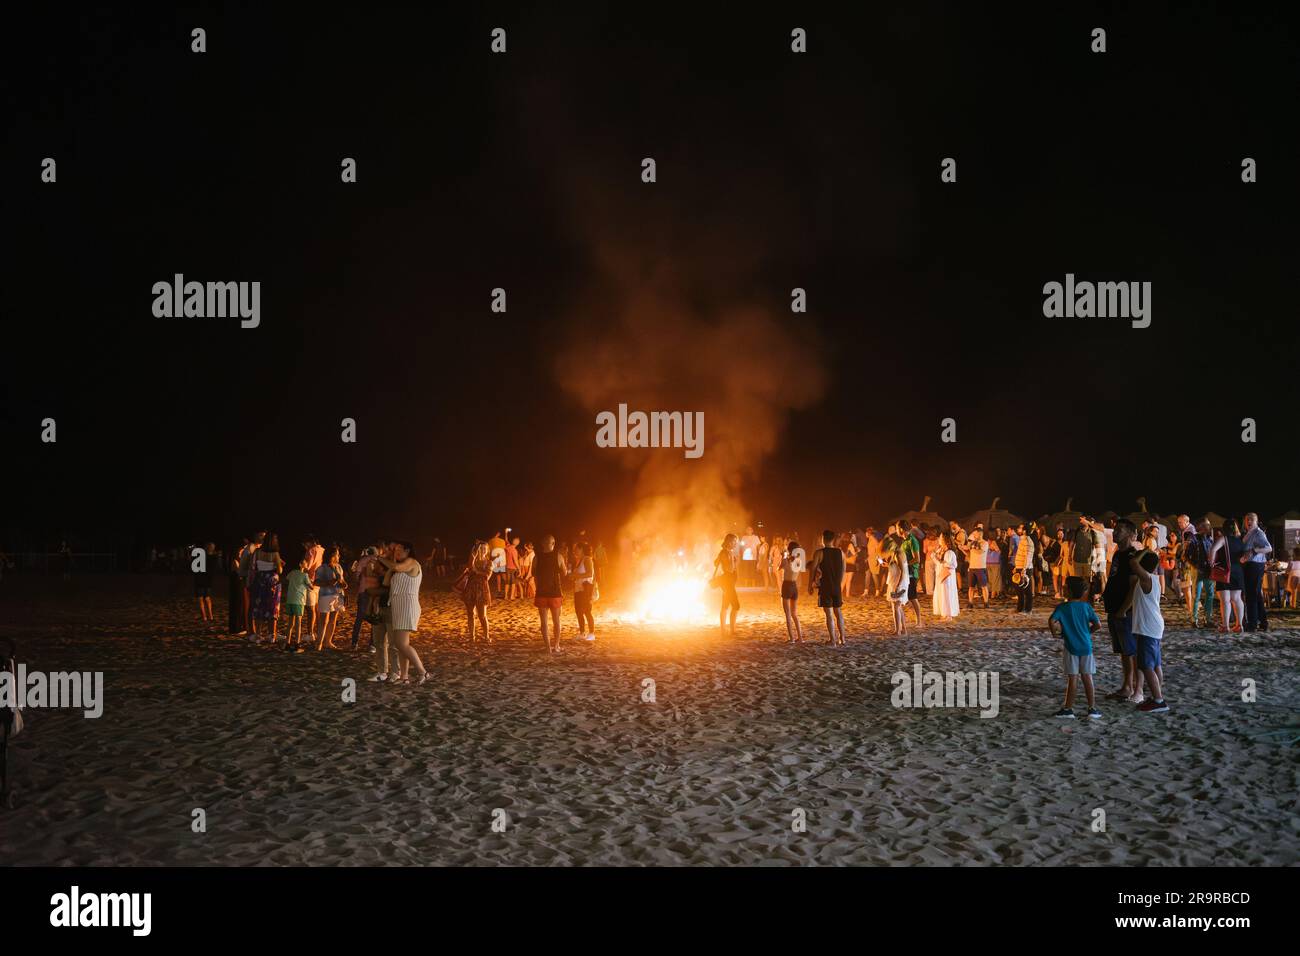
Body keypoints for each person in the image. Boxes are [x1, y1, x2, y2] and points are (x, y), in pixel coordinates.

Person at [1119, 550, 1169, 713]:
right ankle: (1157, 695)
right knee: (1155, 664)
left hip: (1148, 627)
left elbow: (1133, 563)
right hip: (1153, 625)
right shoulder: (1154, 580)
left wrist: (1144, 551)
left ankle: (1158, 700)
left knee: (1146, 665)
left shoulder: (1146, 578)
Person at [373, 541, 428, 684]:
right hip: (397, 606)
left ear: (407, 551)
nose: (396, 553)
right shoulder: (397, 568)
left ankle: (423, 672)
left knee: (401, 644)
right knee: (401, 644)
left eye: (399, 550)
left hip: (407, 606)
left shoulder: (412, 562)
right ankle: (404, 677)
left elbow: (397, 567)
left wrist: (379, 558)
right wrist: (390, 566)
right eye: (394, 550)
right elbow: (385, 583)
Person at [1048, 576, 1102, 719]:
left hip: (1071, 646)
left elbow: (1051, 620)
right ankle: (1092, 708)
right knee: (1087, 677)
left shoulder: (1062, 607)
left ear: (1069, 591)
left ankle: (1068, 708)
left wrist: (1055, 633)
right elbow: (1098, 625)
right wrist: (1087, 633)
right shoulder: (1086, 607)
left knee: (1073, 678)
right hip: (1086, 646)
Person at [1101, 519, 1142, 704]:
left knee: (1132, 651)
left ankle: (1136, 689)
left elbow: (1134, 586)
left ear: (1130, 534)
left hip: (1125, 611)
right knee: (1124, 652)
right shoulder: (1118, 554)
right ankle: (1127, 686)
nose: (1115, 533)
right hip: (1114, 608)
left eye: (1119, 530)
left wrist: (1123, 610)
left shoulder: (1132, 556)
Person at [808, 530, 846, 645]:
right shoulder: (841, 552)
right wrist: (839, 583)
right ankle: (842, 639)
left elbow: (813, 569)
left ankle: (833, 640)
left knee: (829, 614)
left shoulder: (819, 553)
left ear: (823, 539)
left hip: (825, 586)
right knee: (838, 612)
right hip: (836, 586)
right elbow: (843, 569)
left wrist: (810, 584)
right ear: (833, 539)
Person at [1207, 519, 1245, 633]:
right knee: (1237, 599)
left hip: (1225, 571)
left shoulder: (1223, 539)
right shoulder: (1240, 540)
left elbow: (1213, 549)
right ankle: (1239, 625)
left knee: (1225, 600)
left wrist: (1212, 562)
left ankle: (1226, 626)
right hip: (1238, 571)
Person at [533, 535, 566, 653]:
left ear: (542, 544)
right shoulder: (559, 557)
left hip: (541, 592)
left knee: (544, 622)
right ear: (553, 543)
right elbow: (565, 573)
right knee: (556, 620)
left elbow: (534, 574)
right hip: (555, 592)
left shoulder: (537, 557)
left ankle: (548, 648)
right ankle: (556, 646)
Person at [248, 533, 284, 643]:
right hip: (272, 582)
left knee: (259, 606)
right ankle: (271, 634)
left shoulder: (257, 552)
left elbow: (252, 567)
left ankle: (258, 634)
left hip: (260, 580)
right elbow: (279, 570)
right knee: (272, 608)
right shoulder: (275, 554)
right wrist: (280, 564)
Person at [1240, 512, 1273, 632]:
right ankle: (1263, 622)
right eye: (1247, 519)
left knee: (1251, 595)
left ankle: (1252, 624)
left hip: (1255, 565)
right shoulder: (1249, 533)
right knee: (1256, 594)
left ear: (1256, 521)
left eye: (1251, 520)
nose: (1248, 522)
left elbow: (1269, 548)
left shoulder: (1258, 533)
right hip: (1250, 565)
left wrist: (1254, 551)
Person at [313, 546, 348, 650]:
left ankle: (328, 641)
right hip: (325, 596)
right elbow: (316, 582)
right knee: (324, 620)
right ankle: (319, 643)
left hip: (337, 595)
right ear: (332, 555)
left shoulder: (339, 567)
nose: (339, 556)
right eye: (337, 554)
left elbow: (342, 581)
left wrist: (344, 584)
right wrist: (328, 582)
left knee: (333, 619)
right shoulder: (322, 568)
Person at [350, 545, 382, 650]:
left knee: (359, 618)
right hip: (375, 592)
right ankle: (372, 644)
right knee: (374, 618)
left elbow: (356, 577)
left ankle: (354, 643)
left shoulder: (363, 560)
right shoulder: (379, 561)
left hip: (363, 591)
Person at [282, 555, 315, 652]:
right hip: (299, 601)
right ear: (301, 564)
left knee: (290, 623)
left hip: (290, 600)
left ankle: (287, 643)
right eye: (305, 562)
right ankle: (297, 644)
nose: (307, 564)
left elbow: (287, 580)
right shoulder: (304, 575)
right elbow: (311, 587)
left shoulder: (292, 573)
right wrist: (308, 583)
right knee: (298, 623)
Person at [463, 541, 494, 643]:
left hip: (482, 589)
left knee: (482, 615)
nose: (483, 550)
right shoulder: (473, 560)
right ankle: (472, 637)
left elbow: (487, 576)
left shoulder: (489, 562)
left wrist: (476, 571)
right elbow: (469, 568)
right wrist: (473, 557)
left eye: (485, 549)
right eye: (481, 548)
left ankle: (486, 636)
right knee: (470, 614)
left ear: (487, 550)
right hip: (471, 588)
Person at [712, 533, 741, 636]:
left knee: (725, 605)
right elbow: (729, 569)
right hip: (727, 581)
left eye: (736, 542)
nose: (735, 544)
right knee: (736, 605)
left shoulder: (727, 552)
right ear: (729, 542)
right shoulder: (725, 553)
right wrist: (734, 562)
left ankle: (724, 630)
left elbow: (716, 562)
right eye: (734, 542)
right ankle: (729, 630)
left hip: (729, 581)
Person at [779, 538, 805, 643]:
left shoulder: (786, 560)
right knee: (794, 613)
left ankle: (791, 638)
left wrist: (783, 556)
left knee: (788, 614)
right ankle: (800, 637)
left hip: (786, 585)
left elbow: (778, 568)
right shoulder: (799, 561)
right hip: (794, 586)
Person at [931, 531, 960, 620]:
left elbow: (953, 565)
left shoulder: (950, 552)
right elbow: (938, 563)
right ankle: (944, 613)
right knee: (941, 593)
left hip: (947, 576)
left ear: (945, 539)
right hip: (940, 573)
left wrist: (939, 560)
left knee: (947, 593)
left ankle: (948, 615)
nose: (939, 539)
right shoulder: (941, 549)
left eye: (940, 537)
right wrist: (935, 557)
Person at [572, 542, 597, 642]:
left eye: (576, 548)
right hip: (578, 589)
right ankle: (582, 633)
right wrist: (573, 577)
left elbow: (590, 573)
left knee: (587, 611)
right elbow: (578, 574)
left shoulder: (587, 559)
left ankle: (591, 633)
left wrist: (576, 576)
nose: (574, 551)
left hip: (586, 589)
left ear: (581, 549)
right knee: (578, 611)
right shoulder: (578, 560)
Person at [885, 544, 909, 635]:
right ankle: (903, 629)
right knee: (898, 606)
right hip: (895, 581)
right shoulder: (896, 554)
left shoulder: (898, 554)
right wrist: (887, 564)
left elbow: (902, 571)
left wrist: (898, 585)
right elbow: (896, 567)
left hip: (899, 583)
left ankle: (897, 630)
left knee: (896, 606)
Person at [227, 537, 250, 635]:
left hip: (241, 586)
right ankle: (236, 628)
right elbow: (240, 573)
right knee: (237, 606)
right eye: (242, 549)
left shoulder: (240, 560)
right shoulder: (235, 561)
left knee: (242, 606)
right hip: (237, 587)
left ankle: (241, 626)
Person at [965, 528, 990, 608]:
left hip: (981, 567)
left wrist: (970, 547)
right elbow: (969, 554)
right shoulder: (972, 543)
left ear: (980, 534)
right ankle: (970, 603)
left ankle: (986, 603)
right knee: (971, 587)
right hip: (972, 567)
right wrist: (963, 549)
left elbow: (980, 552)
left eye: (975, 534)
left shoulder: (985, 543)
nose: (973, 535)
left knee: (983, 586)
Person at [1013, 523, 1036, 613]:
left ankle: (1028, 609)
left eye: (1020, 528)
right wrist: (1016, 567)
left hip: (1025, 568)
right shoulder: (1023, 540)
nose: (1018, 529)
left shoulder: (1027, 541)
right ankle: (1020, 608)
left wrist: (1024, 569)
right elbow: (1021, 555)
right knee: (1019, 590)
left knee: (1027, 590)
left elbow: (1028, 557)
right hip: (1020, 567)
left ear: (1024, 531)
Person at [194, 541, 216, 623]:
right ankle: (211, 616)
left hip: (200, 579)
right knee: (207, 598)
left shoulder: (201, 556)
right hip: (208, 580)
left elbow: (195, 568)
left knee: (200, 599)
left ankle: (204, 617)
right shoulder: (214, 557)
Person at [1047, 528, 1068, 600]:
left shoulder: (1066, 543)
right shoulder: (1054, 542)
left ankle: (1063, 593)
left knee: (1063, 578)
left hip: (1063, 563)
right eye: (1058, 534)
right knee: (1055, 577)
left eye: (1061, 534)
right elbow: (1048, 551)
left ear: (1064, 534)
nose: (1059, 535)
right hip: (1054, 563)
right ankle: (1056, 593)